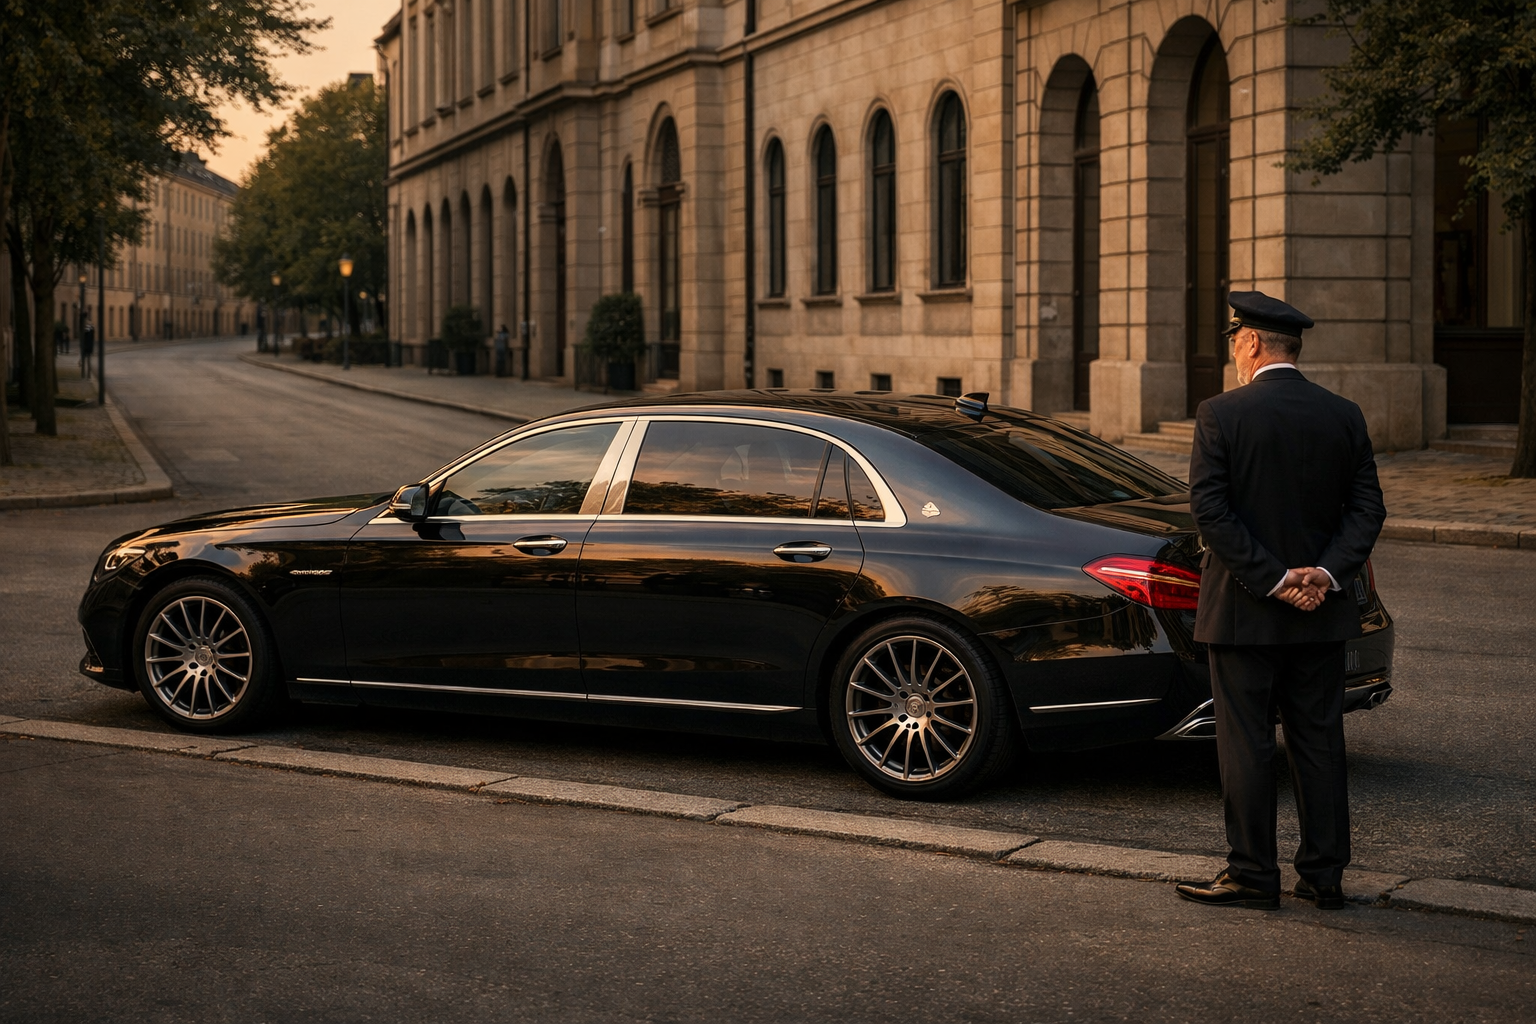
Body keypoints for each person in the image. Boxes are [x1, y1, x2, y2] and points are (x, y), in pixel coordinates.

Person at [1175, 291, 1386, 912]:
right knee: (1318, 741)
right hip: (1321, 612)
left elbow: (1210, 512)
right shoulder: (1343, 414)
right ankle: (1324, 877)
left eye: (1236, 342)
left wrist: (1272, 579)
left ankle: (1252, 874)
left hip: (1244, 612)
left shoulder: (1221, 413)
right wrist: (1321, 574)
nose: (1236, 352)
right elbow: (1367, 508)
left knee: (1246, 744)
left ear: (1251, 344)